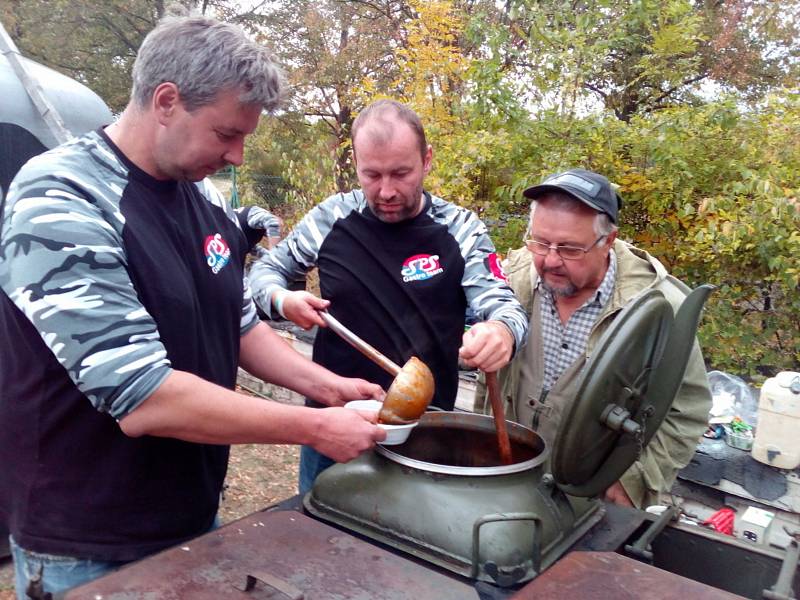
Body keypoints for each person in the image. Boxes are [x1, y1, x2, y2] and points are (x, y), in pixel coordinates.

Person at [0, 15, 387, 599]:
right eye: (226, 134)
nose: (236, 156)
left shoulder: (200, 194)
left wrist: (329, 386)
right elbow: (141, 396)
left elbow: (237, 324)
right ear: (166, 101)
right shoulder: (62, 196)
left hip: (189, 514)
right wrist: (315, 427)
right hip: (88, 542)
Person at [249, 99, 529, 494]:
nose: (386, 191)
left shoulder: (460, 228)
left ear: (427, 160)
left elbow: (504, 304)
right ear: (357, 166)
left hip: (426, 432)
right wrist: (281, 300)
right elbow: (264, 272)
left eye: (401, 173)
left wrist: (501, 332)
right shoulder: (331, 219)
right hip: (334, 428)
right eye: (372, 174)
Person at [476, 168, 712, 509]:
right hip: (507, 477)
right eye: (541, 243)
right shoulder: (513, 280)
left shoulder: (659, 311)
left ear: (608, 241)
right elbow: (490, 380)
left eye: (570, 249)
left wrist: (636, 480)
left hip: (593, 497)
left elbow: (687, 412)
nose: (551, 260)